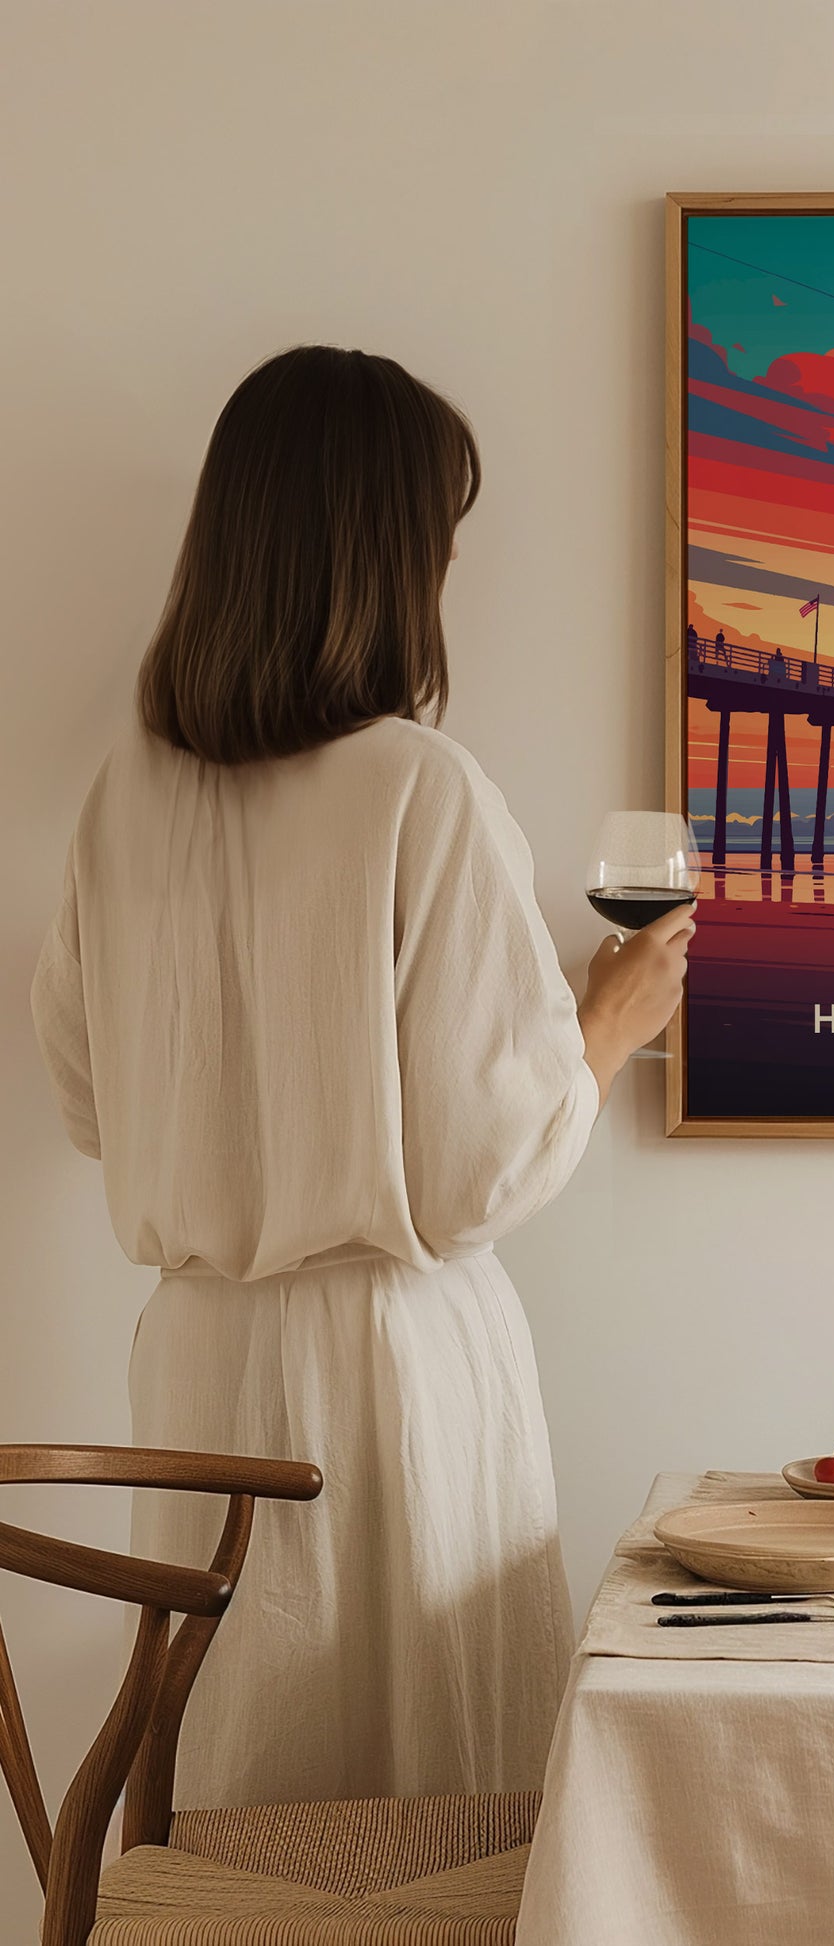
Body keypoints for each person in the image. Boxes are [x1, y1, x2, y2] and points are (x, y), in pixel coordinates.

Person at [30, 346, 691, 1808]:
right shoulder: (418, 786)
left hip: (196, 1362)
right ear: (387, 556)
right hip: (392, 1371)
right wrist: (606, 1021)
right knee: (425, 1809)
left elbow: (87, 1099)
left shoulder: (122, 797)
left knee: (241, 1790)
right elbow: (475, 1172)